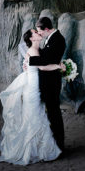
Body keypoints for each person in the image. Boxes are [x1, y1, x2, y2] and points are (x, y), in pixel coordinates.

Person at [0, 29, 64, 165]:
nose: (38, 33)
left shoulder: (37, 49)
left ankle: (36, 148)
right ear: (32, 38)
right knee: (34, 116)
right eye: (35, 32)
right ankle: (31, 150)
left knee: (36, 115)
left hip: (35, 86)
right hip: (32, 88)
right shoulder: (33, 50)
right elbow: (43, 68)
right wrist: (58, 66)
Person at [28, 17, 66, 151]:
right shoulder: (51, 39)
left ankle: (59, 144)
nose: (39, 34)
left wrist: (29, 60)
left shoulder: (57, 39)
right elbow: (45, 59)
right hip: (47, 82)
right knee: (51, 113)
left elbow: (44, 61)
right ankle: (55, 143)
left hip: (52, 83)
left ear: (47, 29)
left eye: (40, 31)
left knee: (54, 113)